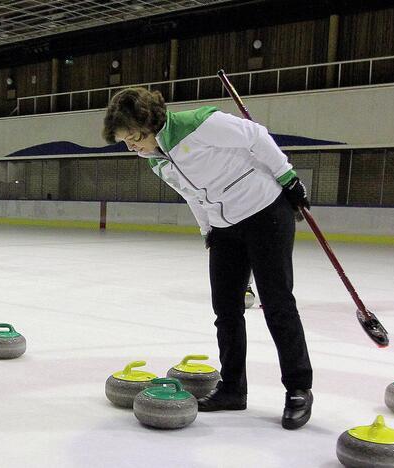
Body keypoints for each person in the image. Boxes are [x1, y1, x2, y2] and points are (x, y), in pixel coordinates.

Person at [102, 88, 313, 430]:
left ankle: (298, 388)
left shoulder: (199, 124)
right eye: (125, 141)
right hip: (223, 227)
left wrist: (288, 177)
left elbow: (256, 137)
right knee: (226, 309)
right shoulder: (156, 159)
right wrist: (207, 231)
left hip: (265, 212)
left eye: (135, 138)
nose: (132, 147)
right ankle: (233, 388)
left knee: (277, 303)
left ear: (151, 122)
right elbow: (193, 195)